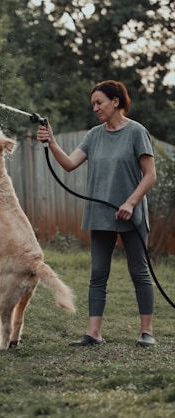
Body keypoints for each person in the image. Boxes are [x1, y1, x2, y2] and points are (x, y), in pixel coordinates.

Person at [37, 80, 157, 347]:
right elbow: (69, 164)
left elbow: (150, 175)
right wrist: (52, 141)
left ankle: (147, 333)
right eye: (93, 104)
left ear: (116, 102)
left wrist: (131, 203)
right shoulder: (94, 135)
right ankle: (93, 334)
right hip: (100, 213)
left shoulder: (137, 132)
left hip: (130, 213)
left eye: (99, 102)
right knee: (98, 273)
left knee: (139, 272)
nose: (95, 108)